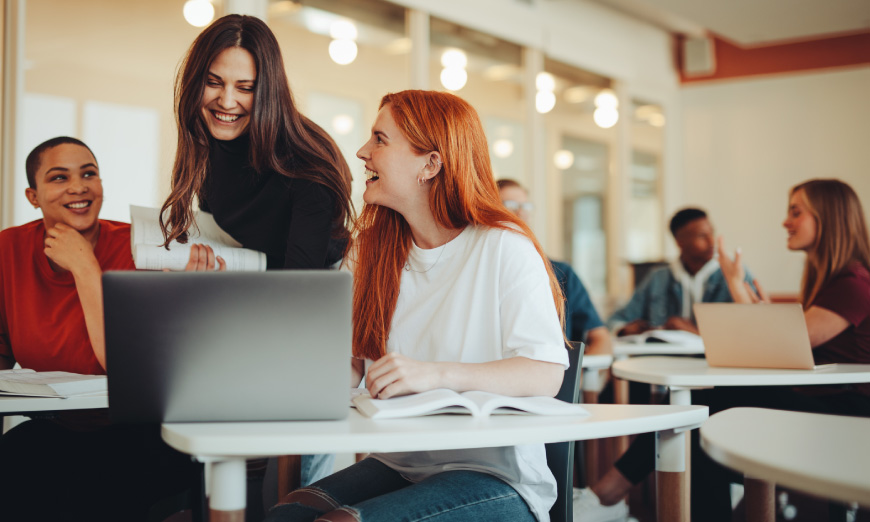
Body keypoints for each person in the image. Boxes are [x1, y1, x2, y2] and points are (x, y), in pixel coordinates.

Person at [264, 90, 569, 522]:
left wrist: (436, 374)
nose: (362, 152)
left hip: (496, 477)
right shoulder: (371, 252)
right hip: (400, 464)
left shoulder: (504, 247)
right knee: (284, 516)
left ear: (431, 164)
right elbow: (354, 366)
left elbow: (545, 372)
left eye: (380, 139)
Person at [578, 179, 870, 522]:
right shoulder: (832, 283)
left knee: (704, 406)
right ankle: (607, 497)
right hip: (817, 401)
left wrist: (736, 286)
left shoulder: (854, 284)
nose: (785, 221)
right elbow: (773, 344)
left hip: (845, 413)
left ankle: (606, 496)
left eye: (795, 212)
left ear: (828, 217)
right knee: (703, 423)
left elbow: (776, 346)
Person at [160, 13, 355, 489]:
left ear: (267, 90)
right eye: (214, 82)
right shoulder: (208, 150)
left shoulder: (306, 159)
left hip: (318, 331)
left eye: (245, 87)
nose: (226, 101)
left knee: (285, 495)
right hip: (256, 318)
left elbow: (299, 294)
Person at [0, 137, 203, 522]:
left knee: (96, 487)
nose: (79, 187)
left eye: (88, 173)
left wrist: (85, 268)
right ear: (33, 195)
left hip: (143, 431)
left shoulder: (143, 249)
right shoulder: (7, 249)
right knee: (18, 455)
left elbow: (129, 371)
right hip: (58, 430)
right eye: (59, 178)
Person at [497, 179, 612, 356]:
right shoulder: (483, 271)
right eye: (510, 205)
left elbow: (601, 337)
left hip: (556, 376)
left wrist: (576, 376)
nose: (520, 213)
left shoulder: (562, 273)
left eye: (526, 206)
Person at [608, 207, 754, 336]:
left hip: (715, 361)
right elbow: (615, 321)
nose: (711, 242)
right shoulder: (658, 278)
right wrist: (626, 329)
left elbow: (752, 330)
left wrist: (692, 331)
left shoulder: (734, 273)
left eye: (712, 233)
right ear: (680, 241)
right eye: (702, 236)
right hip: (665, 361)